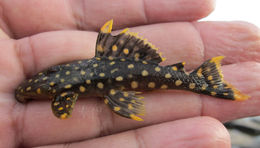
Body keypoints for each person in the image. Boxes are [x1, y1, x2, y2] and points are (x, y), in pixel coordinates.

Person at [0, 0, 259, 147]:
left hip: (120, 73)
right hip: (121, 71)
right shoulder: (59, 79)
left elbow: (63, 113)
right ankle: (208, 81)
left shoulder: (61, 91)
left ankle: (208, 82)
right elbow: (63, 111)